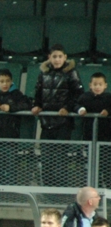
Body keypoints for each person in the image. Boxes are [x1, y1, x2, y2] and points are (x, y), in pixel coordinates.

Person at [31, 44, 83, 186]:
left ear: (65, 57)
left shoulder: (71, 72)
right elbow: (38, 92)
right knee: (46, 159)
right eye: (54, 56)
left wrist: (67, 107)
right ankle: (47, 190)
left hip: (63, 123)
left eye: (60, 56)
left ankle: (60, 190)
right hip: (46, 123)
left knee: (60, 159)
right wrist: (37, 105)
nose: (57, 59)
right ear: (49, 58)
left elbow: (78, 94)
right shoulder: (43, 73)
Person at [77, 72, 111, 144]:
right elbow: (76, 105)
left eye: (100, 84)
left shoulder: (109, 98)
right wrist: (81, 109)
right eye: (95, 84)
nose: (97, 87)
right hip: (88, 132)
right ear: (90, 85)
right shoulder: (84, 97)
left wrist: (108, 111)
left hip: (106, 133)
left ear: (105, 85)